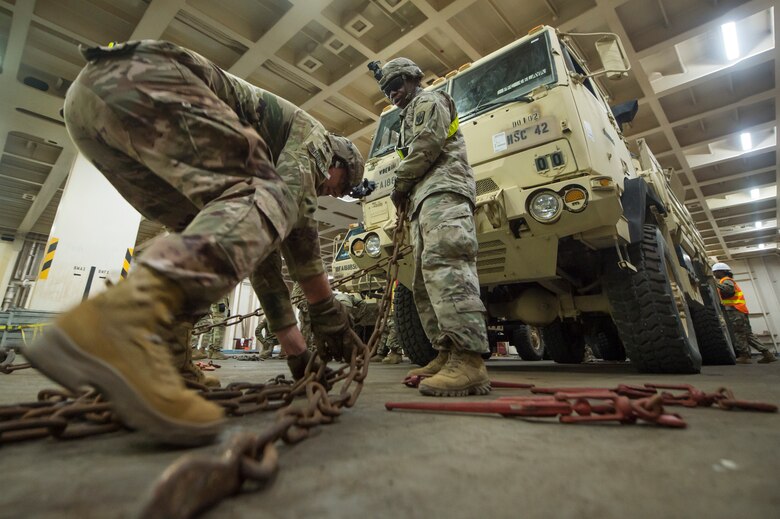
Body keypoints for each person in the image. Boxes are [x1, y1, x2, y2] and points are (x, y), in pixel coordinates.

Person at [24, 40, 365, 446]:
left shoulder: (287, 154)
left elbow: (258, 259)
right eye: (339, 187)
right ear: (340, 163)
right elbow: (292, 207)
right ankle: (124, 321)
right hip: (146, 80)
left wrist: (296, 351)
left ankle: (164, 360)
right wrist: (325, 308)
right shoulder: (317, 137)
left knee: (202, 228)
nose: (329, 193)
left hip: (89, 103)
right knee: (269, 196)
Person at [372, 58, 490, 396]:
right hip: (426, 197)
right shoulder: (406, 116)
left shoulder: (428, 100)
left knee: (447, 263)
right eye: (386, 88)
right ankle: (446, 351)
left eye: (397, 84)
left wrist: (399, 184)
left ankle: (469, 359)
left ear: (413, 79)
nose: (392, 92)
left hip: (444, 190)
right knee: (425, 276)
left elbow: (427, 144)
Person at [712, 262, 777, 364]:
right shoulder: (727, 281)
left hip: (735, 311)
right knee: (747, 334)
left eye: (715, 272)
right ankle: (767, 354)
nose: (714, 274)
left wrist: (715, 283)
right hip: (740, 310)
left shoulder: (727, 281)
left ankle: (744, 356)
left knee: (739, 333)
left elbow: (728, 291)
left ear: (722, 272)